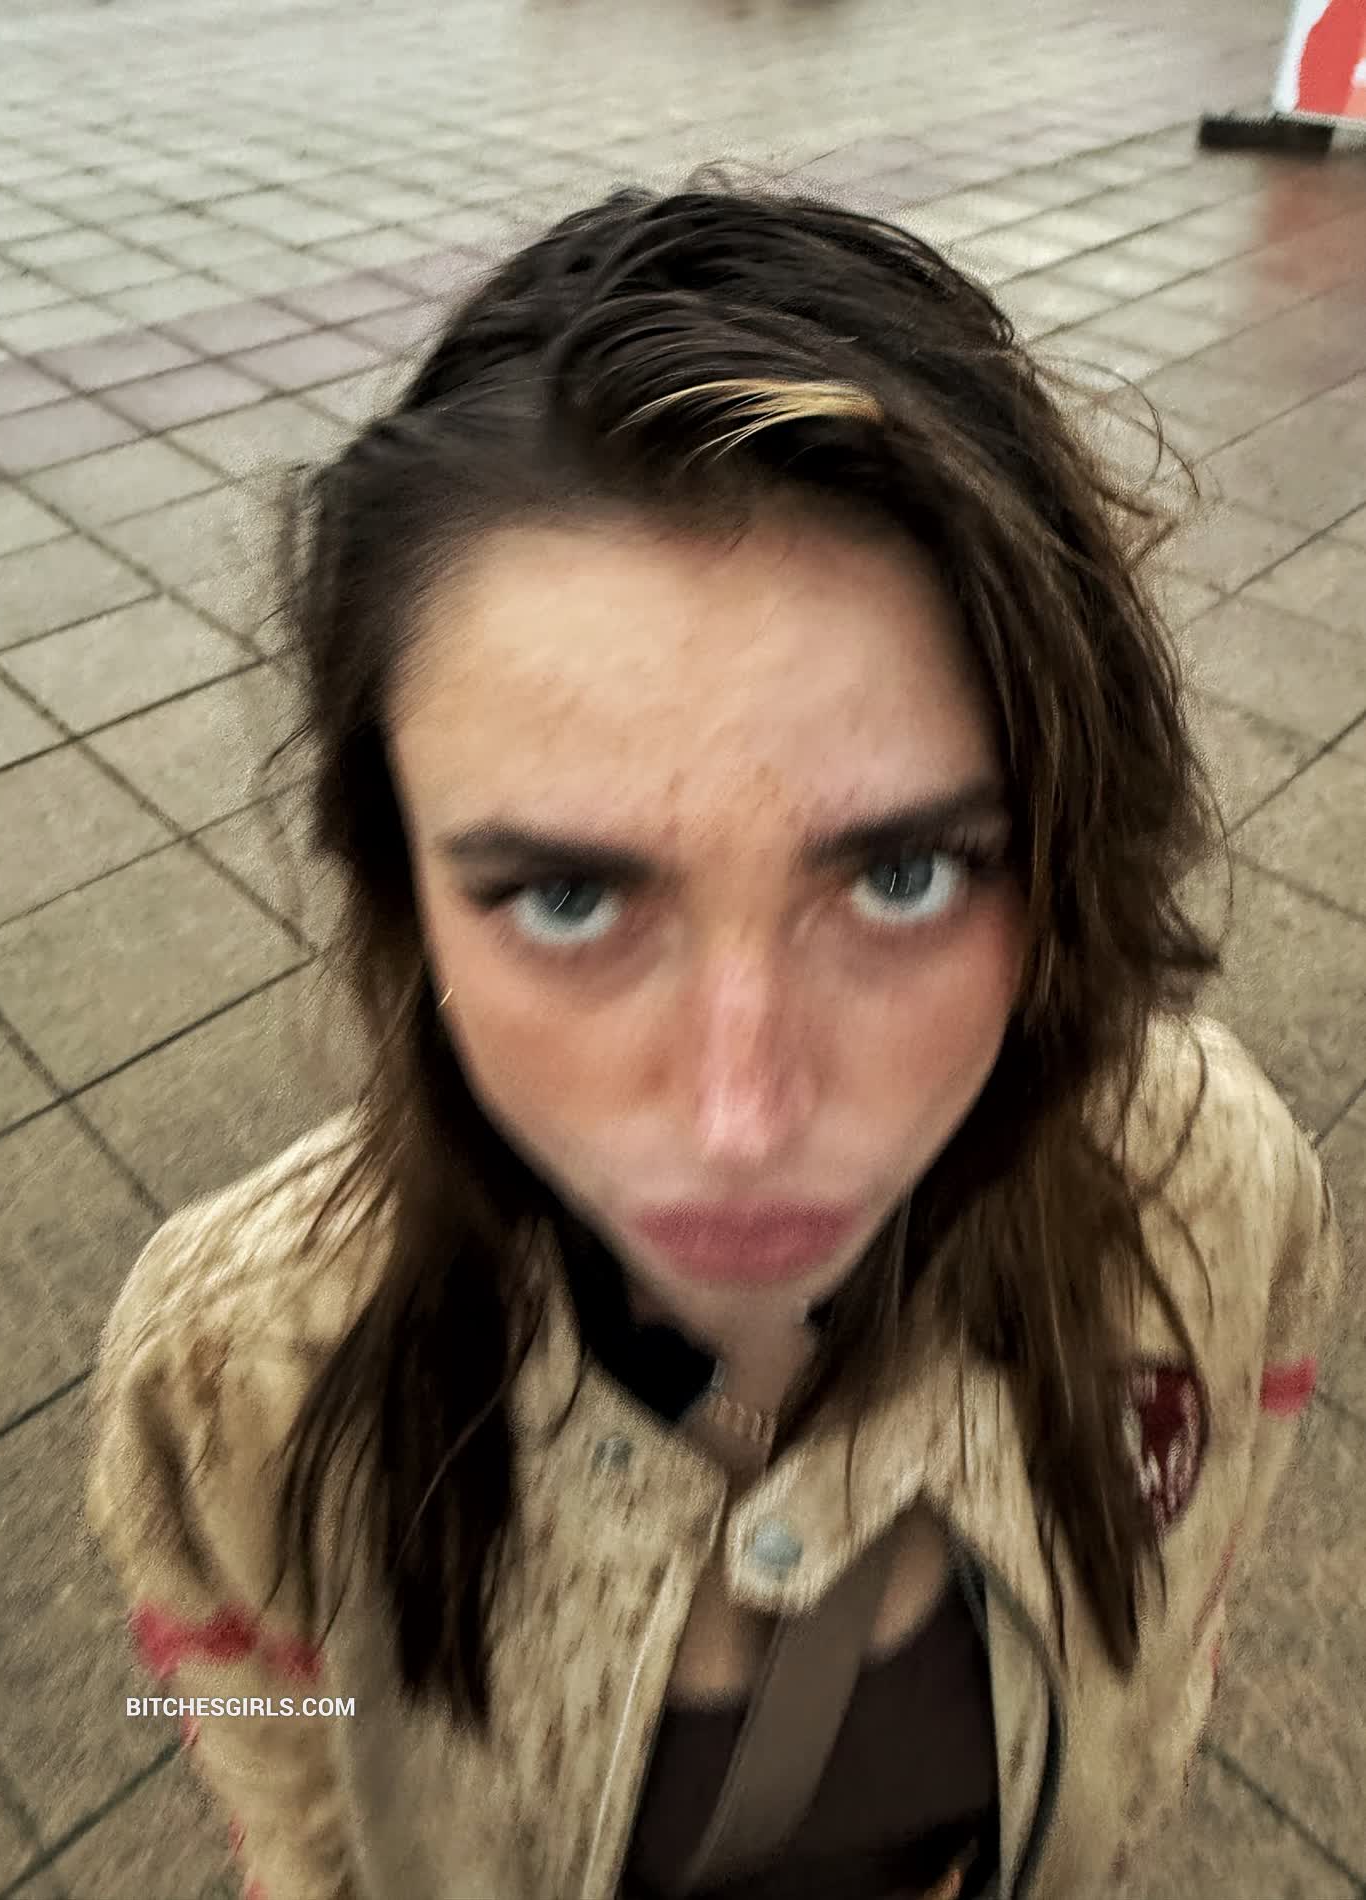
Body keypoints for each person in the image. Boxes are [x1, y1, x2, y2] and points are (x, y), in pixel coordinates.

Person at [86, 179, 1343, 1900]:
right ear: (402, 890)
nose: (739, 1119)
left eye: (901, 875)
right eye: (567, 897)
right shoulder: (236, 1373)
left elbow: (1170, 1648)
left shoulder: (1211, 1192)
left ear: (1064, 855)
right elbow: (291, 1800)